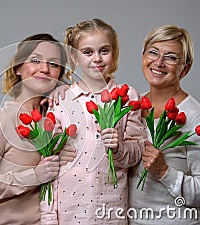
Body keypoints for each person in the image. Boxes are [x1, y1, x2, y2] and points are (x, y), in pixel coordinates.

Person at [40, 18, 145, 225]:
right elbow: (49, 157)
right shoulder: (62, 98)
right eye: (87, 52)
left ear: (114, 53)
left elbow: (137, 151)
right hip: (68, 206)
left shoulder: (128, 96)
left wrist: (119, 148)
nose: (96, 58)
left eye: (104, 51)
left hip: (110, 206)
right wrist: (49, 217)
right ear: (74, 57)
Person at [0, 33, 68, 225]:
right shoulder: (2, 120)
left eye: (53, 64)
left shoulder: (59, 115)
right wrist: (34, 176)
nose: (44, 69)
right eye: (35, 60)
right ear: (19, 67)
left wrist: (67, 92)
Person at [128, 25, 200, 224]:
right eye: (153, 52)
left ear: (185, 68)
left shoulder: (195, 117)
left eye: (171, 57)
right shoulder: (133, 107)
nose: (159, 62)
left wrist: (164, 172)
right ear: (143, 56)